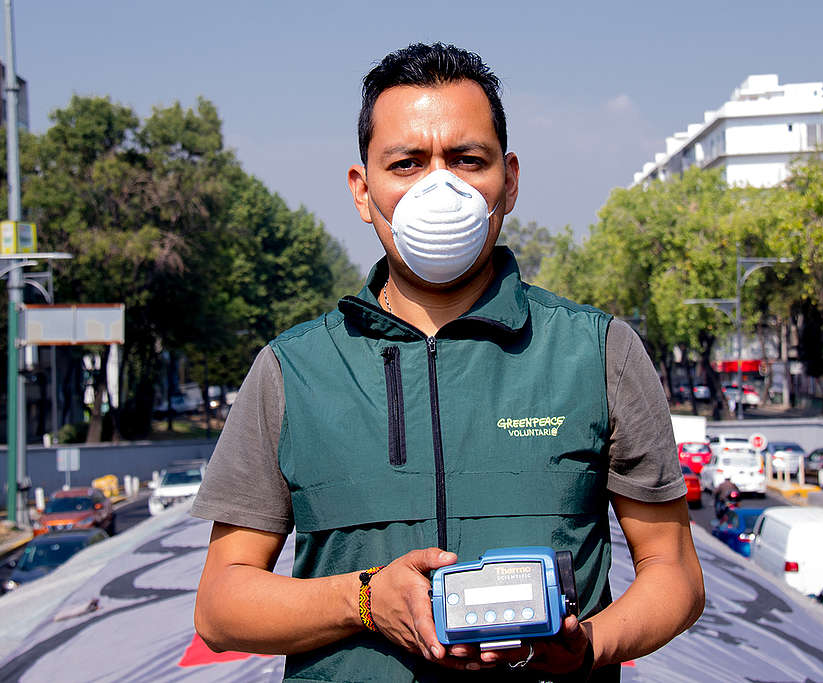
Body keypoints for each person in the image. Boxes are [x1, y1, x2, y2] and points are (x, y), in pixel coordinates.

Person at [192, 42, 704, 682]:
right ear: (362, 189)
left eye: (468, 159)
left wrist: (590, 645)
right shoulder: (291, 371)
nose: (441, 187)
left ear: (509, 180)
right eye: (407, 163)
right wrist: (364, 600)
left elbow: (675, 572)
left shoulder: (598, 354)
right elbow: (220, 604)